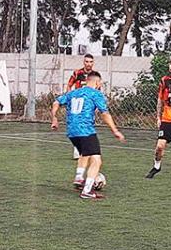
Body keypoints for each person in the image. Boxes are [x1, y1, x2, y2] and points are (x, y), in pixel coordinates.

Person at [51, 71, 125, 199]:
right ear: (97, 82)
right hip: (85, 130)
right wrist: (115, 130)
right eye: (100, 83)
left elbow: (56, 102)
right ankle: (87, 191)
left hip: (72, 132)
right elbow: (104, 113)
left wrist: (54, 118)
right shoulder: (96, 94)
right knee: (96, 160)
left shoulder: (73, 92)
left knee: (85, 154)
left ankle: (79, 178)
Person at [66, 54, 98, 159]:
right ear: (84, 62)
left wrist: (96, 103)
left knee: (88, 125)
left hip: (89, 105)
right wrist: (69, 98)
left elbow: (98, 89)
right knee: (77, 124)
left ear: (93, 63)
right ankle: (77, 149)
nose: (89, 64)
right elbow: (69, 85)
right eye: (87, 61)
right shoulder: (77, 73)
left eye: (91, 62)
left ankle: (87, 149)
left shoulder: (95, 75)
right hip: (78, 103)